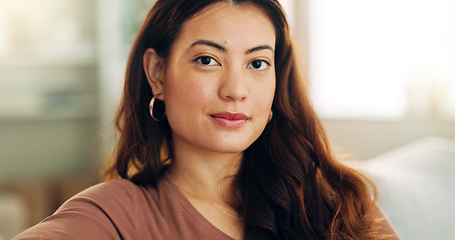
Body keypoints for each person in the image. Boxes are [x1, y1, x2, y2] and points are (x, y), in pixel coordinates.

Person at [14, 0, 399, 239]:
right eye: (207, 60)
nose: (236, 89)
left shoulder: (337, 202)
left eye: (257, 63)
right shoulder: (115, 216)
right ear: (157, 74)